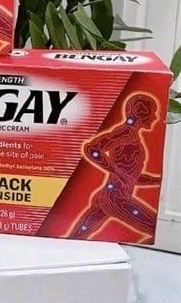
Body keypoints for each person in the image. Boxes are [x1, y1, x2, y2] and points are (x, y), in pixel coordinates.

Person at [68, 94, 161, 241]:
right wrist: (117, 172)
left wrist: (159, 180)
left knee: (76, 237)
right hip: (117, 199)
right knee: (156, 229)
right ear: (142, 112)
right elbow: (92, 149)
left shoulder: (131, 134)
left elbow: (132, 177)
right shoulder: (127, 132)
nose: (155, 117)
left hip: (107, 195)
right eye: (153, 112)